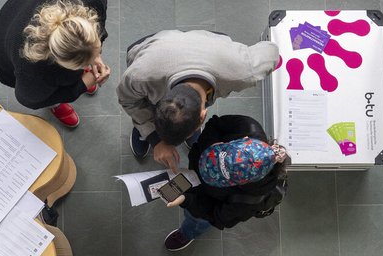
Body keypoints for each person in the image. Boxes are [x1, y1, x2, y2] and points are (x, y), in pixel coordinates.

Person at [117, 30, 279, 170]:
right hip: (150, 48)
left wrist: (235, 55)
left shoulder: (243, 70)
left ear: (203, 116)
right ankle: (152, 128)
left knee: (157, 111)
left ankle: (176, 126)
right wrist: (154, 138)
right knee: (142, 104)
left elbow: (272, 52)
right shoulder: (140, 75)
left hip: (216, 47)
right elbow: (128, 100)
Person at [0, 0, 111, 127]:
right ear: (56, 60)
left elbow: (89, 41)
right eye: (82, 65)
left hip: (28, 2)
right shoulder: (33, 69)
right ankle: (56, 105)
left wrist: (95, 56)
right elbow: (30, 100)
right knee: (46, 91)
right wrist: (82, 85)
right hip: (2, 43)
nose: (88, 66)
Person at [162, 114, 289, 252]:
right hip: (197, 177)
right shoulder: (247, 126)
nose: (205, 168)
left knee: (196, 220)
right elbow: (215, 124)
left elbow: (215, 215)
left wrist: (186, 200)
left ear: (242, 183)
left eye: (217, 177)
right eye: (217, 152)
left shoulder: (249, 200)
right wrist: (209, 143)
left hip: (205, 199)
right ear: (242, 139)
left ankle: (188, 232)